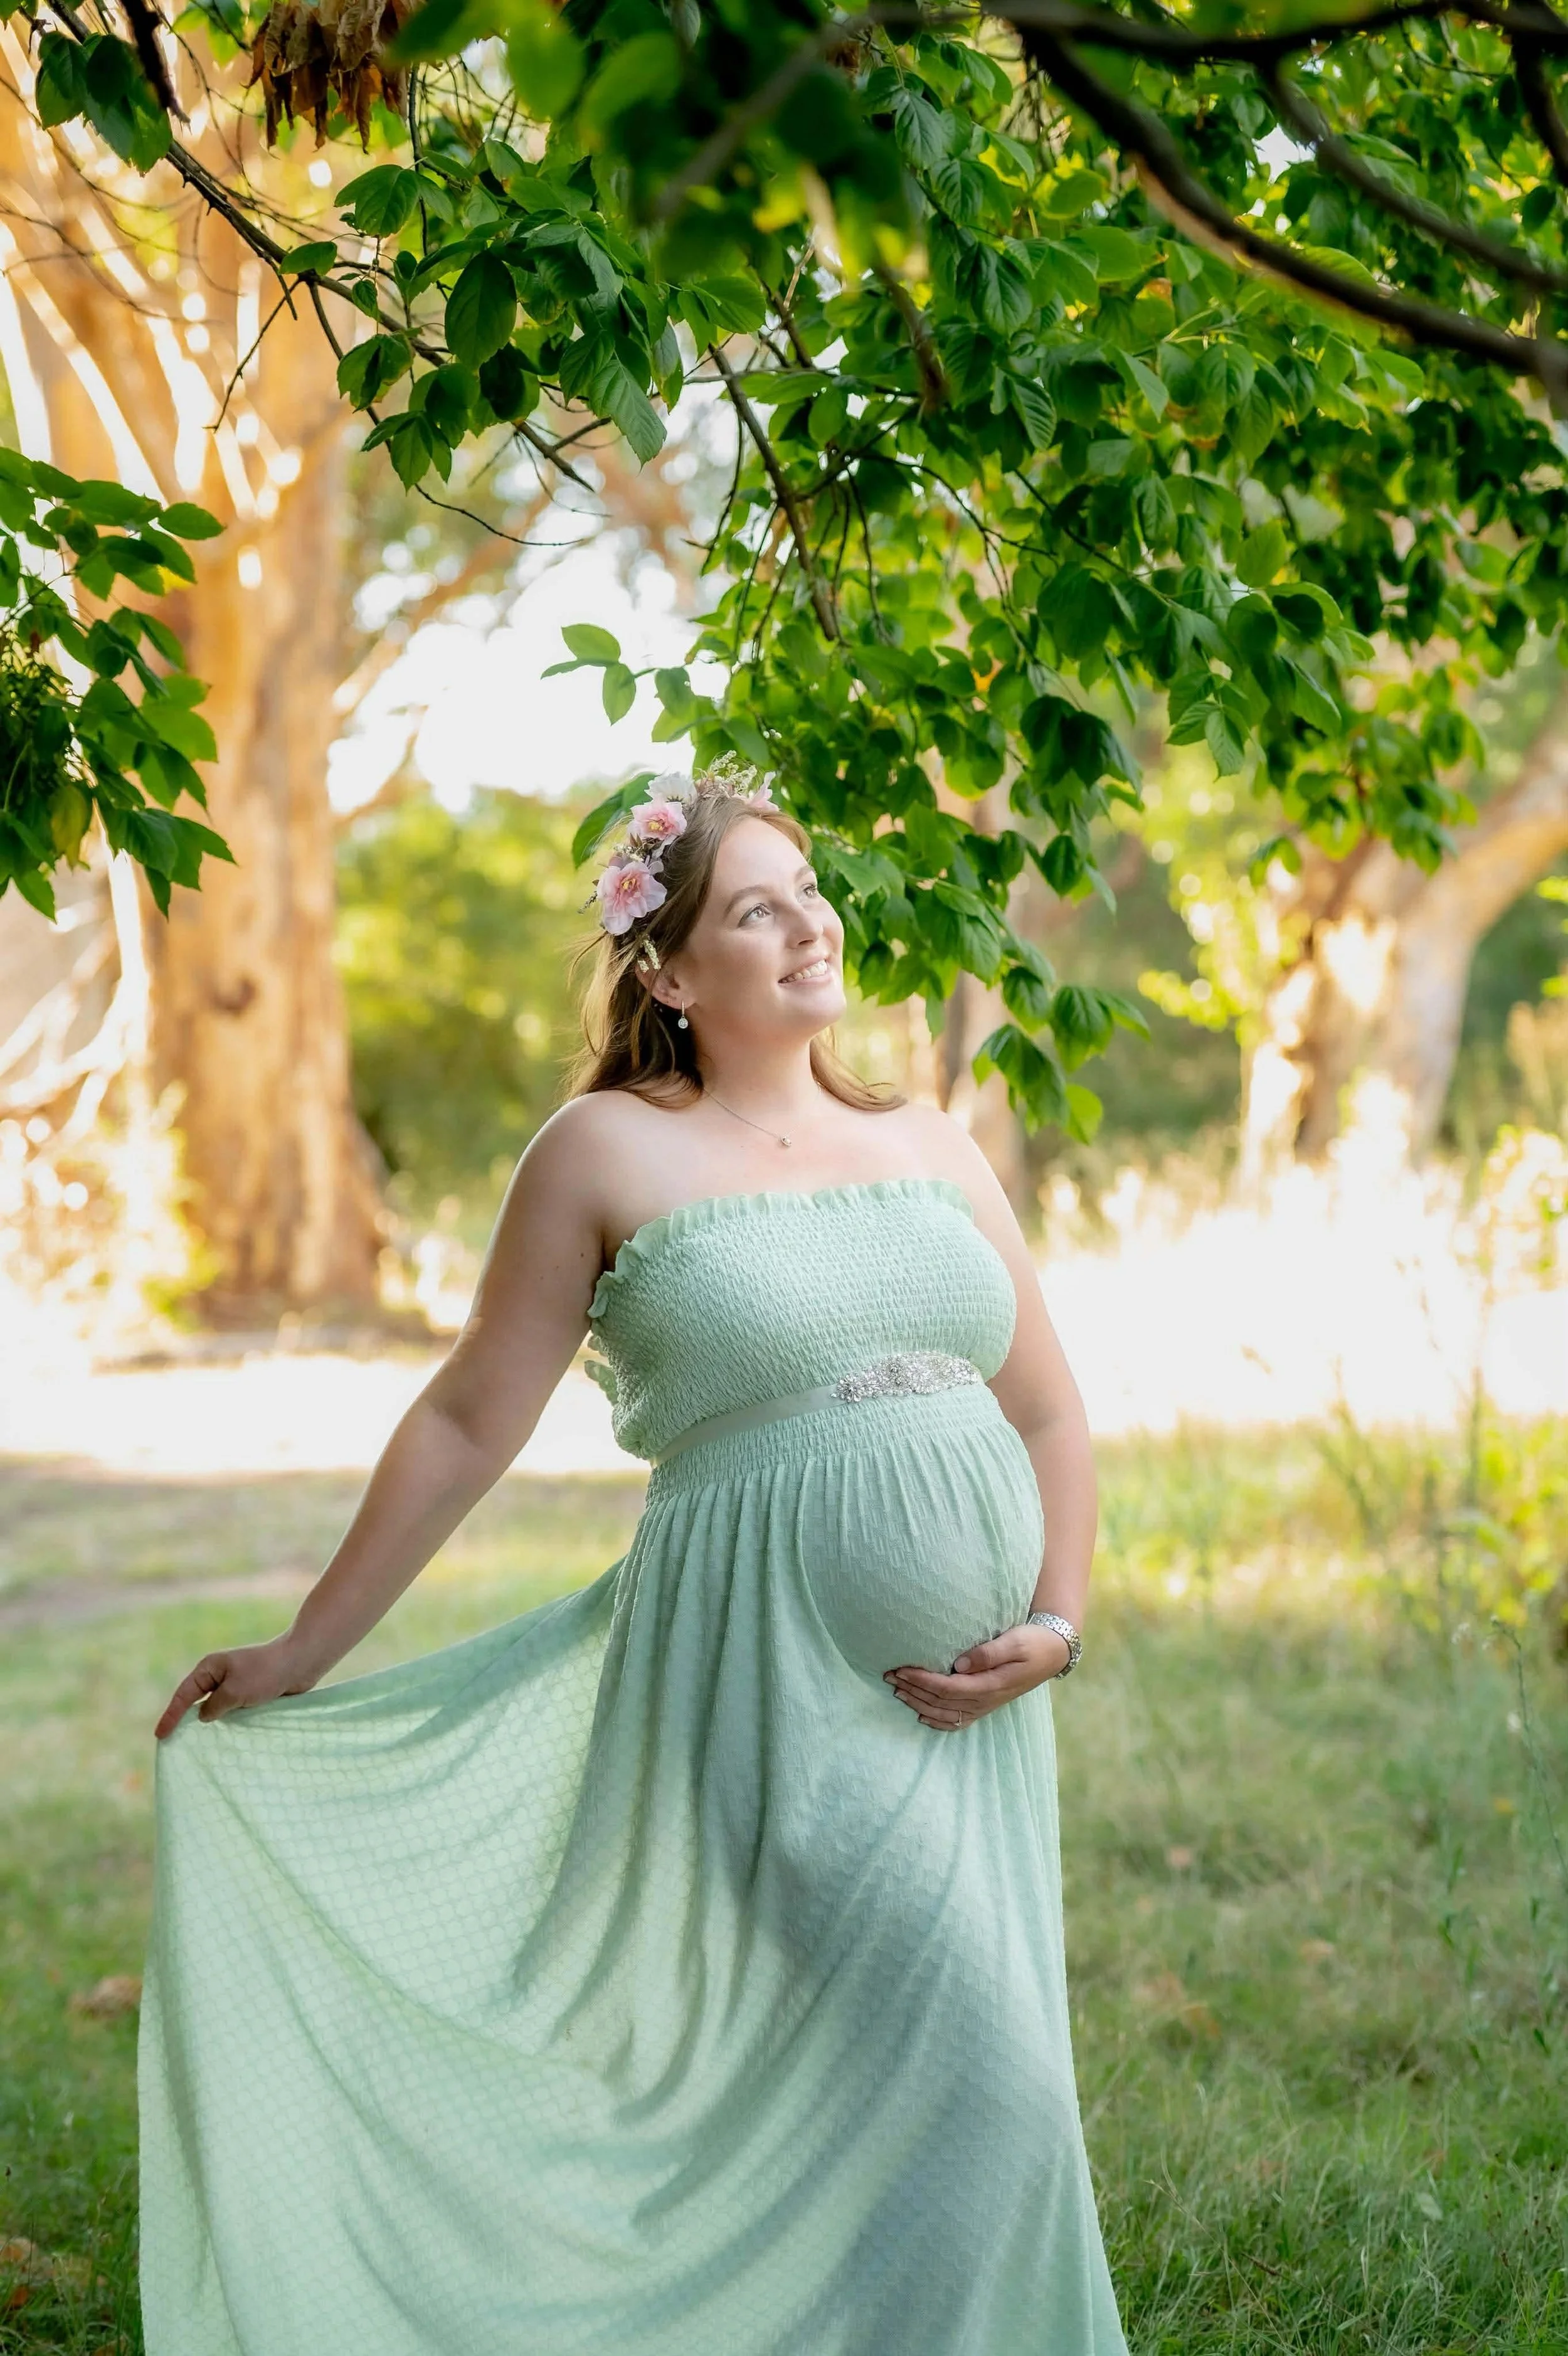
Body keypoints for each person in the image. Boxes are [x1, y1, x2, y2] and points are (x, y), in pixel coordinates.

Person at [140, 762, 1128, 2355]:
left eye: (809, 893)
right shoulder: (599, 1151)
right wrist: (306, 1649)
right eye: (755, 909)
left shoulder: (931, 1144)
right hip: (761, 1684)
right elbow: (468, 1418)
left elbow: (1050, 1413)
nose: (808, 926)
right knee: (983, 2086)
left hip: (976, 1712)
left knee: (908, 2096)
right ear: (666, 972)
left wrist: (1060, 1625)